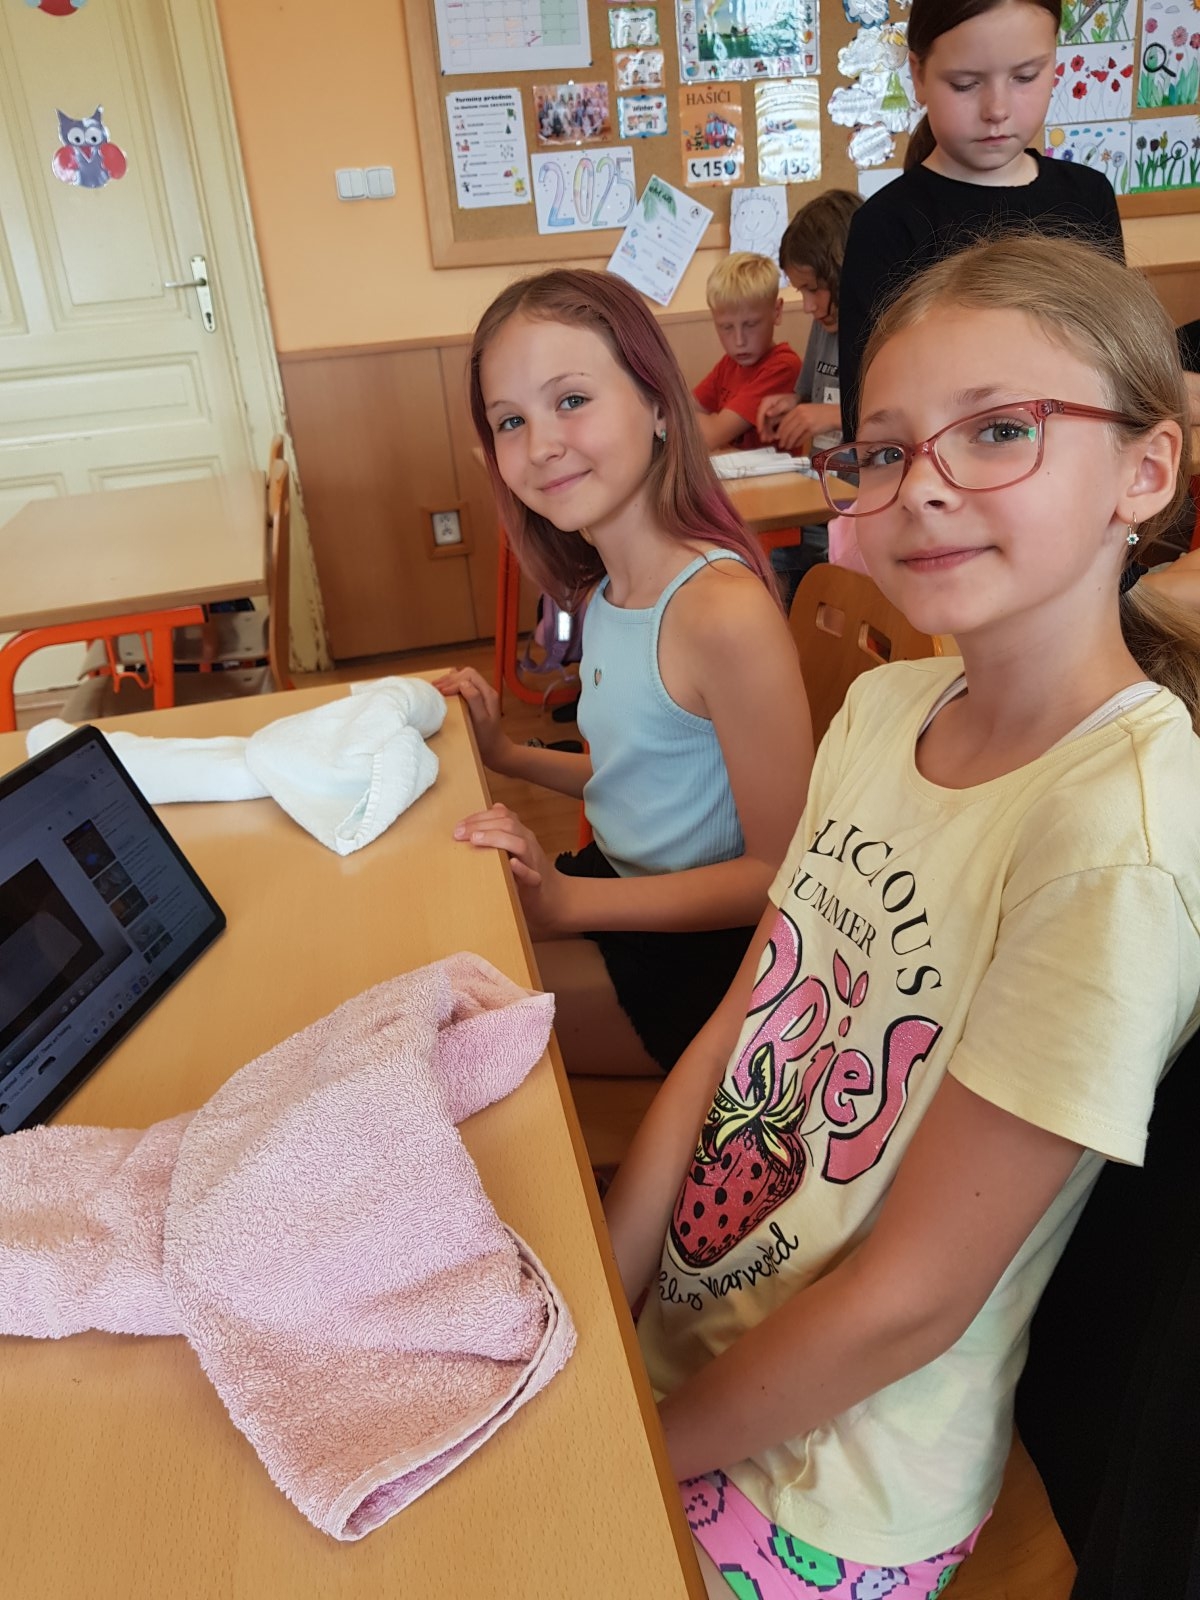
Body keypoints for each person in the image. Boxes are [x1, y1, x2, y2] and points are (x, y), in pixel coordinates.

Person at [604, 233, 1200, 1598]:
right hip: (690, 1345)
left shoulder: (1119, 843)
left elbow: (910, 1302)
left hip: (836, 1480)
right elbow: (736, 1031)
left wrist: (628, 1450)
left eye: (998, 430)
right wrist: (604, 1292)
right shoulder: (882, 708)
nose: (922, 487)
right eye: (884, 450)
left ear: (1146, 471)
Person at [437, 268, 813, 1079]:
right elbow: (640, 780)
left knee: (441, 1029)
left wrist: (567, 901)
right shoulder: (605, 592)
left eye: (571, 400)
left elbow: (780, 875)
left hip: (707, 961)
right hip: (619, 892)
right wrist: (505, 755)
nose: (541, 445)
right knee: (432, 943)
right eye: (511, 421)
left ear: (657, 404)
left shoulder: (722, 613)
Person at [838, 0, 1124, 439]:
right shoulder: (886, 225)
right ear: (918, 75)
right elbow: (867, 418)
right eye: (965, 84)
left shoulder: (1088, 196)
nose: (996, 109)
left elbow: (1118, 363)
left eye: (1025, 77)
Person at [754, 189, 862, 606]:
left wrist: (834, 415)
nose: (808, 306)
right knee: (771, 570)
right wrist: (790, 405)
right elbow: (807, 395)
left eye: (814, 289)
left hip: (856, 509)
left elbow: (905, 421)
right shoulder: (824, 324)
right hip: (817, 500)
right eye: (801, 291)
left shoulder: (883, 326)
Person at [692, 253, 802, 452]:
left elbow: (710, 437)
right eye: (726, 327)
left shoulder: (783, 366)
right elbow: (682, 410)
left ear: (777, 312)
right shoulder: (729, 363)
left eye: (751, 324)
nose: (739, 341)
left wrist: (711, 424)